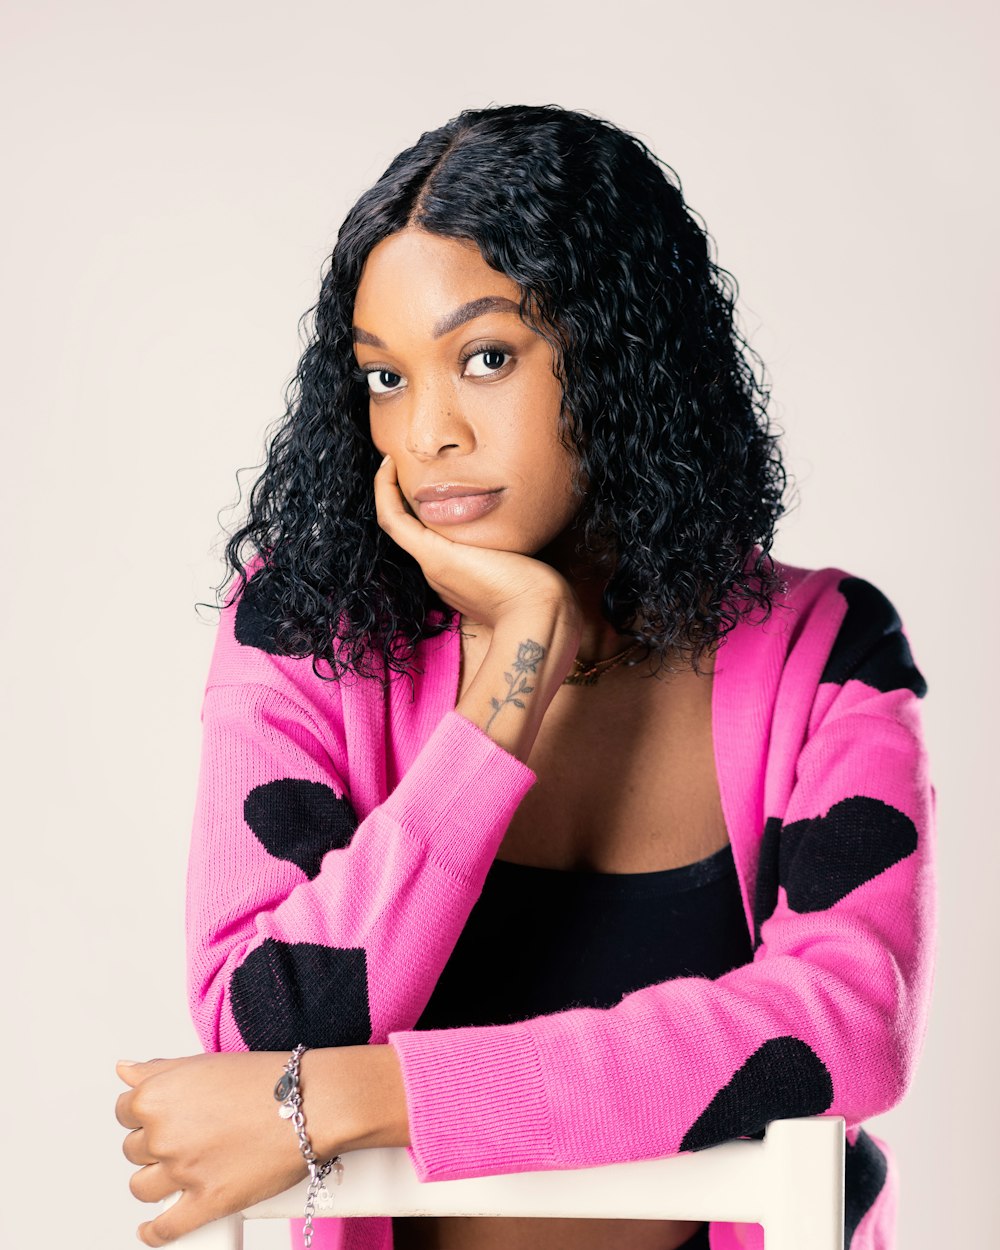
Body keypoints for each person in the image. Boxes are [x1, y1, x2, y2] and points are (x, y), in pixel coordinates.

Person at [114, 103, 937, 1250]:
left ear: (619, 355)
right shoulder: (308, 633)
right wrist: (512, 674)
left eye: (486, 357)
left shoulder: (823, 650)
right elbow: (265, 1032)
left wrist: (375, 1093)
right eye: (385, 377)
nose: (427, 432)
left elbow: (840, 1028)